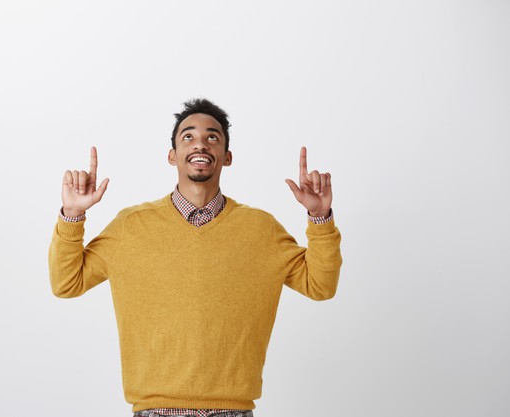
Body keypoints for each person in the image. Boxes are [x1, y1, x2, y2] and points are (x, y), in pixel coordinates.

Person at [48, 98, 343, 417]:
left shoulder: (261, 230)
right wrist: (73, 214)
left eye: (212, 136)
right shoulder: (131, 227)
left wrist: (319, 215)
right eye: (188, 136)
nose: (200, 143)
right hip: (154, 411)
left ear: (227, 157)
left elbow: (320, 286)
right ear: (172, 155)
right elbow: (67, 283)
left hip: (232, 412)